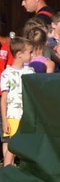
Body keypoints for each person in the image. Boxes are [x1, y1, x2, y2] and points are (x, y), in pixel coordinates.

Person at [1, 38, 33, 166]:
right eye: (30, 52)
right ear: (20, 54)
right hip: (13, 115)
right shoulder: (6, 74)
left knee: (27, 145)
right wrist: (4, 120)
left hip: (27, 116)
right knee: (12, 147)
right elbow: (4, 98)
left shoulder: (30, 72)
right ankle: (7, 172)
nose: (32, 55)